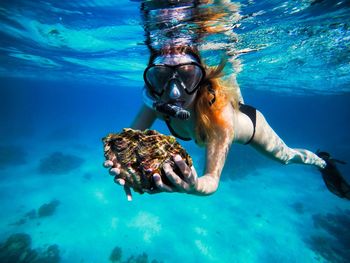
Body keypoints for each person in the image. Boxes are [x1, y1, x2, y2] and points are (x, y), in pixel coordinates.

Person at [103, 0, 349, 201]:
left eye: (188, 76)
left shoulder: (219, 116)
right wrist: (122, 162)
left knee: (285, 157)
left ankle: (322, 162)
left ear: (201, 77)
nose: (174, 92)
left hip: (246, 123)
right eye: (162, 77)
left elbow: (211, 180)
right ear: (152, 79)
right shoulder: (155, 101)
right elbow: (125, 140)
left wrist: (194, 186)